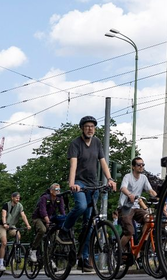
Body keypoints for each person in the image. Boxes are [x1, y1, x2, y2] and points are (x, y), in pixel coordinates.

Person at [58, 116, 117, 271]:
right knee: (82, 206)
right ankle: (64, 230)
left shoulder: (97, 142)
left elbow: (103, 162)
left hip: (93, 185)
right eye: (87, 126)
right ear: (82, 128)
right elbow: (73, 164)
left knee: (89, 225)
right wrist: (72, 183)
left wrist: (109, 179)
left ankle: (83, 259)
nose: (90, 129)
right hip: (79, 183)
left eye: (92, 126)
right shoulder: (75, 144)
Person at [118, 157, 158, 262]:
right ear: (133, 167)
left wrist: (158, 197)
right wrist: (130, 194)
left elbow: (150, 190)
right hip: (126, 207)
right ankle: (119, 250)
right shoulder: (128, 177)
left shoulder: (144, 178)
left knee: (149, 219)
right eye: (139, 165)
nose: (141, 167)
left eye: (143, 165)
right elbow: (123, 188)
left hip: (136, 207)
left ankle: (142, 245)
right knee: (130, 232)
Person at [0, 192, 30, 272]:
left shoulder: (20, 206)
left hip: (11, 225)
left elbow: (23, 215)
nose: (18, 199)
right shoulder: (6, 205)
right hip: (2, 225)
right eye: (16, 197)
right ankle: (1, 263)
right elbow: (3, 215)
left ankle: (14, 250)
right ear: (12, 198)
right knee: (4, 242)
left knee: (18, 236)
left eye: (19, 198)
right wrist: (4, 223)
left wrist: (27, 225)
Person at [32, 184, 66, 255]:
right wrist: (47, 221)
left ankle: (50, 256)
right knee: (43, 230)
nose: (58, 191)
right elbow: (42, 210)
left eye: (59, 190)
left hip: (50, 218)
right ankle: (33, 250)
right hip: (38, 218)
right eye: (56, 190)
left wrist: (65, 219)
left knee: (55, 234)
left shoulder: (60, 198)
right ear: (51, 191)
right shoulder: (44, 198)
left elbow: (62, 210)